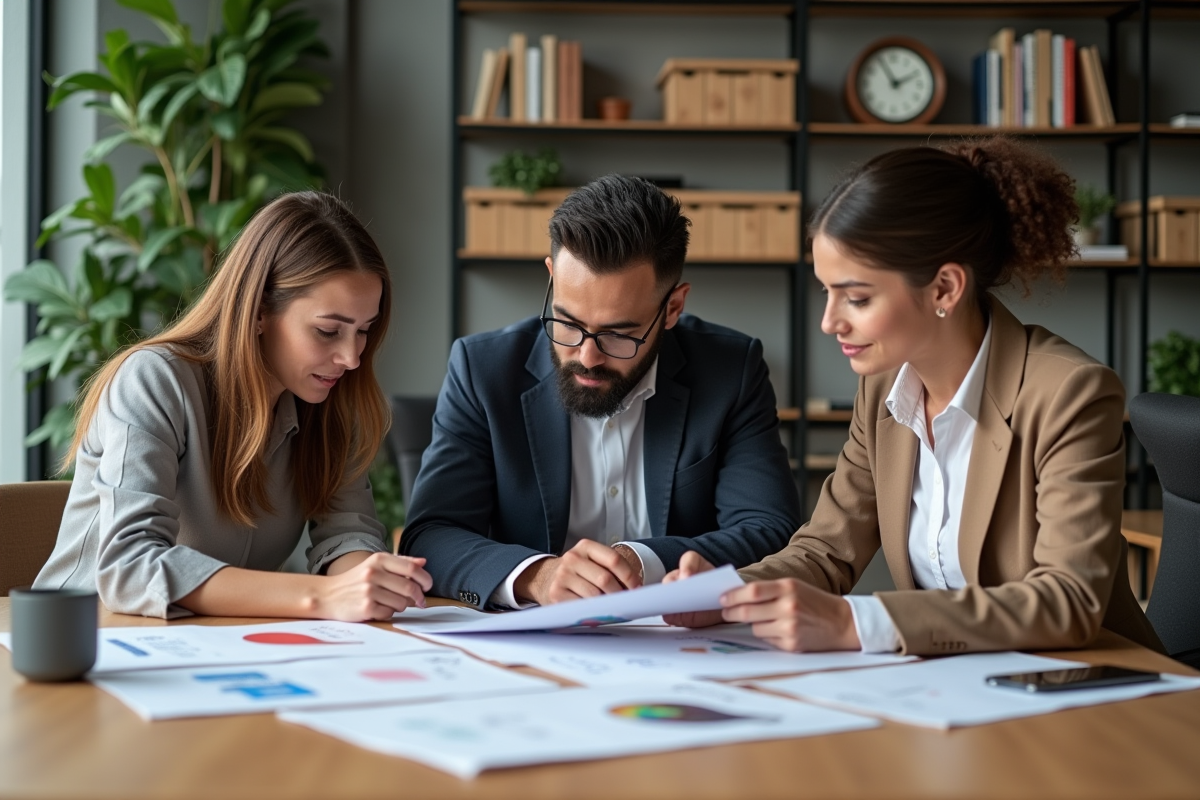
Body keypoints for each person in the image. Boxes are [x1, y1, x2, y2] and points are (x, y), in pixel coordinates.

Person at [664, 139, 1164, 657]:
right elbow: (826, 550)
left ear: (945, 288)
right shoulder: (884, 389)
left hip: (1092, 680)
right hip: (960, 682)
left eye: (857, 298)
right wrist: (730, 594)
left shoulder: (1068, 394)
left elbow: (1069, 600)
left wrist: (858, 622)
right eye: (827, 292)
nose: (829, 322)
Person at [401, 175, 802, 609]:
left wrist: (641, 562)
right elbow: (431, 536)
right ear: (552, 277)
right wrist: (537, 576)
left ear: (672, 307)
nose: (587, 356)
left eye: (618, 334)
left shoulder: (731, 371)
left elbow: (770, 530)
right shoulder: (482, 370)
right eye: (567, 323)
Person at [34, 192, 432, 620]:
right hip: (80, 637)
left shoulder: (328, 401)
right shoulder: (154, 380)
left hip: (212, 642)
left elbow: (348, 533)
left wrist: (367, 585)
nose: (352, 358)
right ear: (258, 311)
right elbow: (129, 567)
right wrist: (323, 597)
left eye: (364, 330)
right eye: (328, 331)